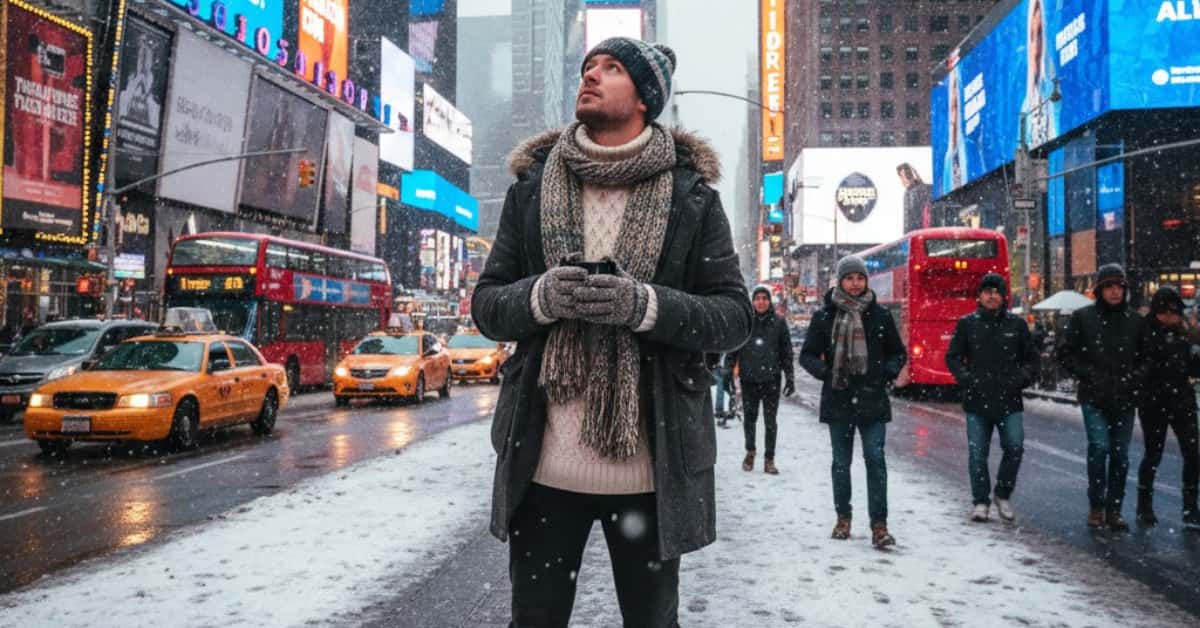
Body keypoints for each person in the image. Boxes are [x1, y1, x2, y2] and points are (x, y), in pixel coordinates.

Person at [470, 37, 752, 626]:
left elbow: (732, 317)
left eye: (612, 68)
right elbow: (488, 306)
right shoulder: (530, 191)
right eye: (587, 68)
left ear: (646, 98)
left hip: (651, 476)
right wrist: (541, 296)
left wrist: (643, 305)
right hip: (543, 469)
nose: (591, 77)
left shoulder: (692, 199)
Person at [800, 255, 907, 548]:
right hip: (839, 399)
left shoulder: (881, 316)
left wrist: (886, 374)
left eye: (860, 278)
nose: (856, 283)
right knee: (840, 463)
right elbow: (806, 354)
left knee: (875, 461)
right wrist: (827, 373)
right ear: (841, 281)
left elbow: (898, 353)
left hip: (873, 399)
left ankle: (879, 525)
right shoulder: (825, 317)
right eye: (850, 278)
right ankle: (843, 518)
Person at [1056, 264, 1145, 531]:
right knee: (1100, 449)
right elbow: (1066, 353)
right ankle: (1096, 505)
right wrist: (1090, 374)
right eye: (1110, 286)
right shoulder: (1084, 318)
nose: (1115, 291)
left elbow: (1147, 358)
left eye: (1119, 286)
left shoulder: (1135, 322)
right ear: (1100, 289)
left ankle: (1114, 509)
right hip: (1095, 396)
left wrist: (1133, 378)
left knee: (1120, 456)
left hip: (1125, 397)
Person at [945, 273, 1038, 523]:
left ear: (1003, 296)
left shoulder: (1016, 326)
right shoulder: (967, 324)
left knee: (1015, 447)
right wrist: (967, 379)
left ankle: (1002, 494)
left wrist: (1020, 380)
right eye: (987, 291)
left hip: (1009, 400)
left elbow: (1031, 360)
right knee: (978, 454)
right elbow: (952, 357)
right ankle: (980, 502)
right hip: (977, 400)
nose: (992, 296)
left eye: (996, 291)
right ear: (980, 296)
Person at [1135, 287, 1200, 527]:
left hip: (1180, 399)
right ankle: (1145, 505)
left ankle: (1191, 506)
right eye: (1172, 313)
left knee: (1192, 453)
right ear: (1161, 313)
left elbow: (1192, 367)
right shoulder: (1146, 334)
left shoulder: (1182, 334)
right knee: (1154, 453)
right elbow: (1144, 367)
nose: (1176, 318)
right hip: (1155, 401)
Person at [728, 285, 795, 475]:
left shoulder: (779, 323)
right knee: (750, 419)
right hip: (748, 379)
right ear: (753, 301)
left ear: (769, 301)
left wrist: (789, 377)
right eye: (757, 299)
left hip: (771, 380)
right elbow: (734, 348)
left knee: (770, 421)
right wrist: (728, 370)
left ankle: (769, 460)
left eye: (765, 298)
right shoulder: (746, 323)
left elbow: (786, 352)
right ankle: (750, 452)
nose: (761, 302)